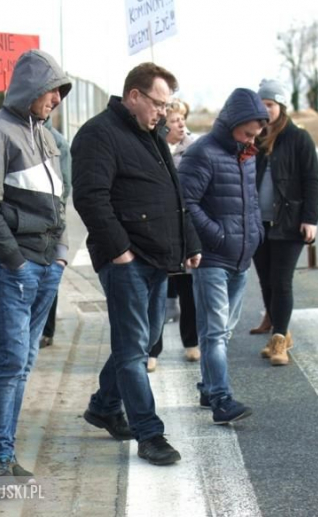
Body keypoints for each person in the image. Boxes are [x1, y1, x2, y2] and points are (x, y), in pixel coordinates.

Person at [72, 63, 201, 465]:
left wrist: (189, 242)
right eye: (158, 103)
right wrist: (120, 251)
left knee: (145, 339)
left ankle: (104, 406)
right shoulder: (98, 134)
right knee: (132, 350)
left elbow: (174, 194)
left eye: (166, 105)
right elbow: (90, 198)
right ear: (134, 96)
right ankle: (149, 433)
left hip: (158, 257)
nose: (163, 112)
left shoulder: (151, 133)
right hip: (126, 260)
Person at [0, 50, 71, 485]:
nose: (57, 99)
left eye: (61, 92)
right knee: (12, 361)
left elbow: (60, 203)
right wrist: (14, 261)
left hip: (48, 265)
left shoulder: (46, 136)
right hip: (16, 266)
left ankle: (5, 454)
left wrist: (61, 255)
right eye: (52, 91)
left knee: (23, 361)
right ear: (32, 89)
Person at [179, 88, 268, 423]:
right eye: (247, 134)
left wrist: (255, 233)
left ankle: (208, 387)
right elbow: (185, 202)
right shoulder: (202, 152)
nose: (251, 140)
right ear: (232, 124)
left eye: (255, 135)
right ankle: (221, 399)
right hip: (212, 259)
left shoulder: (247, 154)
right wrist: (216, 236)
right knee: (215, 332)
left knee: (222, 331)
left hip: (241, 257)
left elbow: (251, 200)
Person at [249, 79, 318, 367]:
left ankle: (279, 339)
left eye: (270, 104)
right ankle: (280, 329)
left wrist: (310, 219)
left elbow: (312, 180)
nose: (266, 110)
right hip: (258, 223)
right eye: (262, 104)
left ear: (281, 106)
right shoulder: (253, 137)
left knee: (281, 281)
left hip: (289, 222)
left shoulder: (298, 138)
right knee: (266, 281)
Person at [147, 98, 201, 371]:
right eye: (175, 120)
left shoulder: (194, 150)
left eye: (183, 119)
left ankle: (191, 342)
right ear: (162, 125)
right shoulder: (151, 148)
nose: (181, 125)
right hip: (158, 232)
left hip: (185, 230)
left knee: (188, 292)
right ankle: (152, 350)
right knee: (156, 296)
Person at [39, 114, 71, 349]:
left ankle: (46, 331)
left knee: (49, 276)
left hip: (50, 220)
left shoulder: (58, 141)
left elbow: (65, 185)